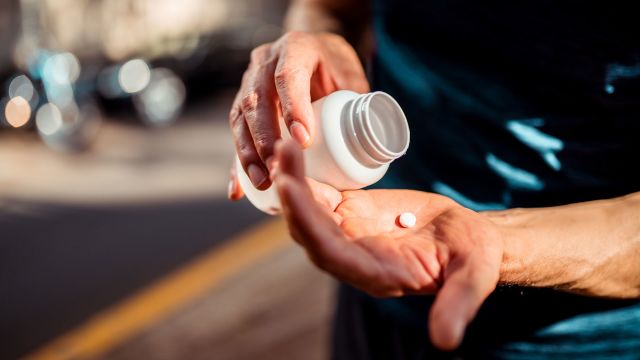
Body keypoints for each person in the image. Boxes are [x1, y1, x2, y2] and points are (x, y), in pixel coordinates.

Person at [228, 0, 640, 358]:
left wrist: (501, 243)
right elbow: (333, 6)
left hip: (576, 338)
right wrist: (318, 39)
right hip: (376, 262)